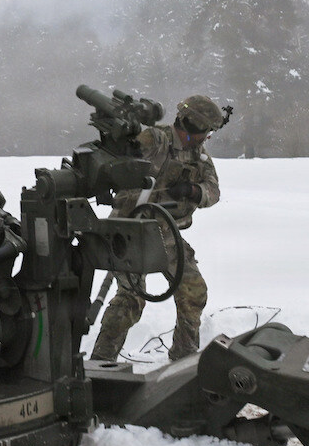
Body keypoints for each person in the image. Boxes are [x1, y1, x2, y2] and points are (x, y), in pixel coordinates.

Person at [90, 94, 224, 364]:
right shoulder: (155, 139)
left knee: (193, 291)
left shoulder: (198, 155)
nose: (205, 138)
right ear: (193, 125)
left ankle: (183, 361)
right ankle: (100, 364)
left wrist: (193, 190)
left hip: (166, 234)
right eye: (205, 131)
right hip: (129, 231)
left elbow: (214, 191)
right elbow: (115, 154)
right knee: (130, 300)